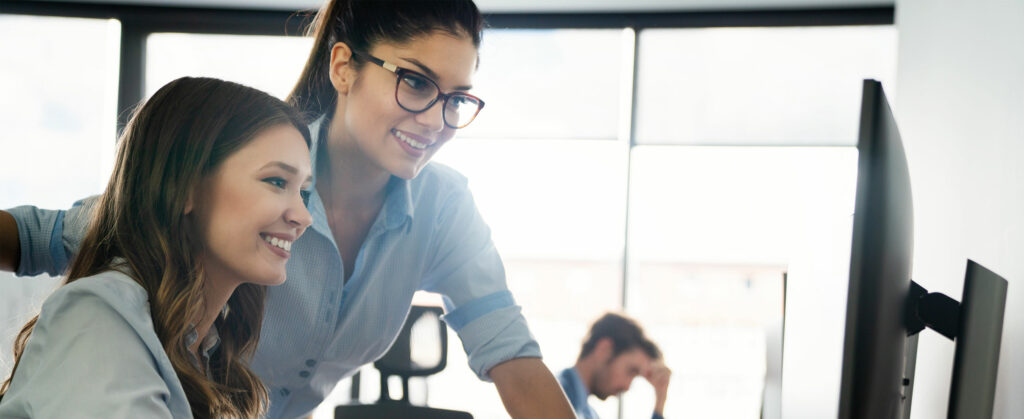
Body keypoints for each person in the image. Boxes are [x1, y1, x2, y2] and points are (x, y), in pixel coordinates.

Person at [0, 1, 576, 418]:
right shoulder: (105, 318)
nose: (434, 120)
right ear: (344, 66)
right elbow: (46, 233)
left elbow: (512, 355)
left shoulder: (444, 208)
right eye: (416, 83)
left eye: (456, 99)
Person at [0, 77, 315, 418]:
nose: (303, 217)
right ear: (186, 188)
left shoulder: (200, 349)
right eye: (276, 181)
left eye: (303, 191)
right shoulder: (100, 318)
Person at [558, 313, 673, 419]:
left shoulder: (588, 413)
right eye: (631, 371)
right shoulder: (554, 397)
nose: (627, 387)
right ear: (604, 349)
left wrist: (660, 400)